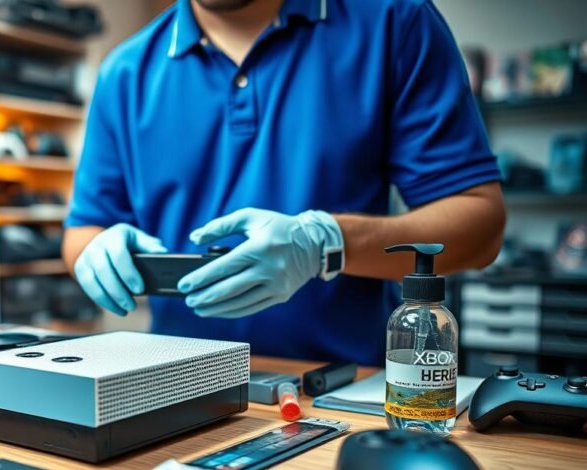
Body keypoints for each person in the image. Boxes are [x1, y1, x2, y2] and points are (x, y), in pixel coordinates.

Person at [63, 0, 506, 366]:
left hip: (345, 391)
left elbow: (480, 227)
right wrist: (95, 251)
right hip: (178, 386)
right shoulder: (124, 72)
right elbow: (84, 231)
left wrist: (326, 243)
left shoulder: (395, 21)